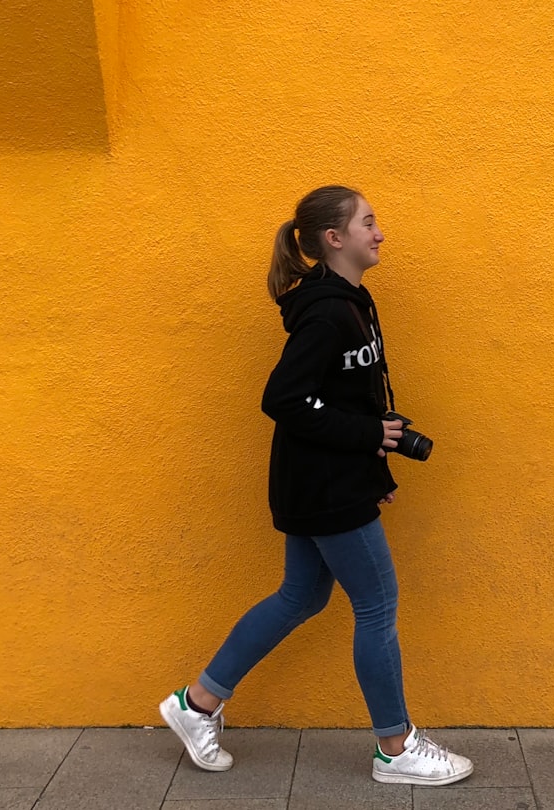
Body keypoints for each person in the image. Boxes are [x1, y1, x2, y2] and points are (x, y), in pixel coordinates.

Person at [158, 185, 473, 786]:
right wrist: (363, 449)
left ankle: (195, 705)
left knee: (302, 596)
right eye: (369, 223)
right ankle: (395, 748)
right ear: (335, 239)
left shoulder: (353, 300)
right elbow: (283, 399)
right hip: (326, 487)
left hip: (325, 479)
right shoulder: (328, 312)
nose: (380, 233)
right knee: (376, 606)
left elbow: (351, 403)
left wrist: (373, 462)